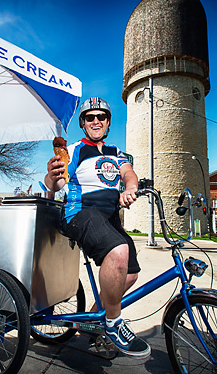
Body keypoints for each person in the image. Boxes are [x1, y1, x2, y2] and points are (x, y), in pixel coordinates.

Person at [44, 97, 150, 359]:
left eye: (101, 117)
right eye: (90, 117)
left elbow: (128, 173)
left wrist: (131, 187)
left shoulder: (116, 152)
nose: (96, 121)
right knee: (117, 252)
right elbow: (56, 182)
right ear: (83, 123)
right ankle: (113, 323)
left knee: (130, 274)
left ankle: (93, 322)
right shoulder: (75, 149)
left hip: (110, 217)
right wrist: (52, 176)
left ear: (108, 122)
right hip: (80, 213)